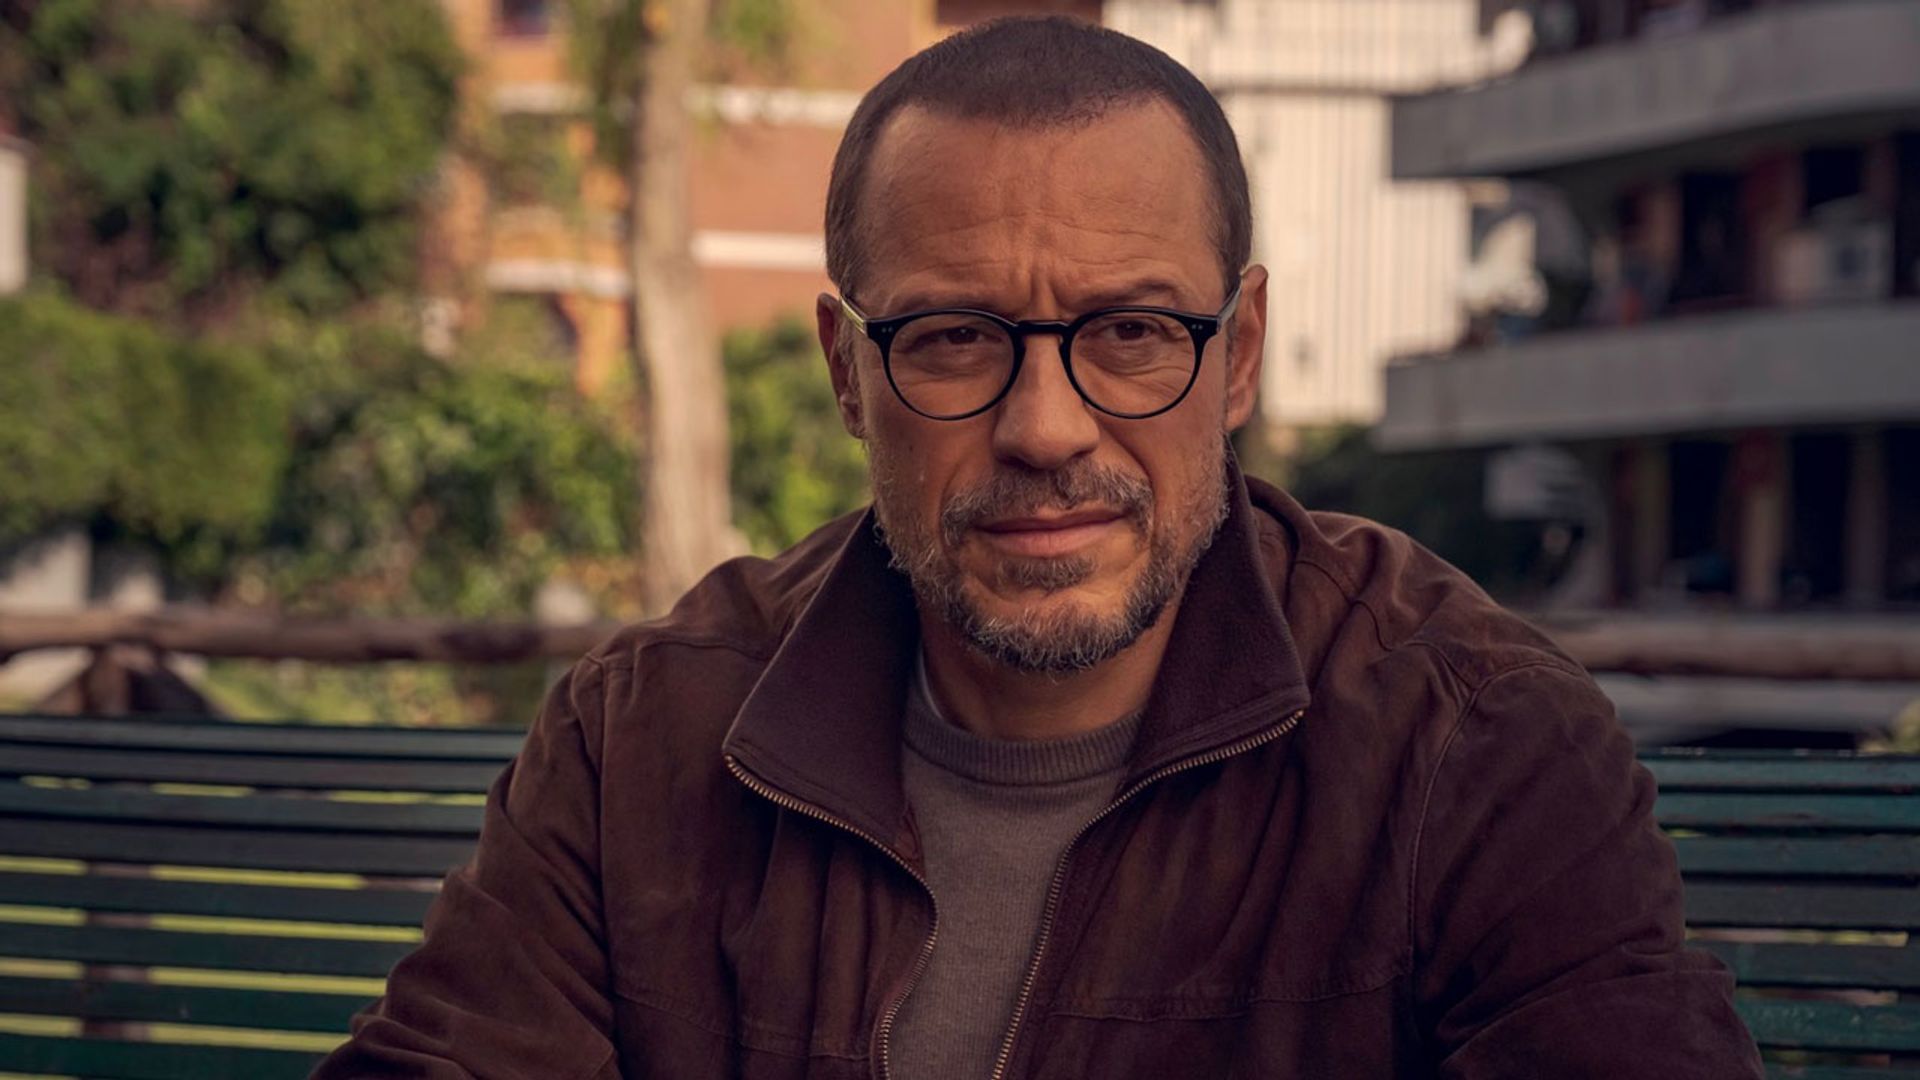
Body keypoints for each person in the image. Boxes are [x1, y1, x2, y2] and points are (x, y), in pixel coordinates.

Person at [314, 16, 1762, 1079]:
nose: (1046, 428)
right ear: (846, 372)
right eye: (955, 338)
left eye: (1132, 331)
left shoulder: (1471, 742)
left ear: (1239, 352)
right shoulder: (643, 738)